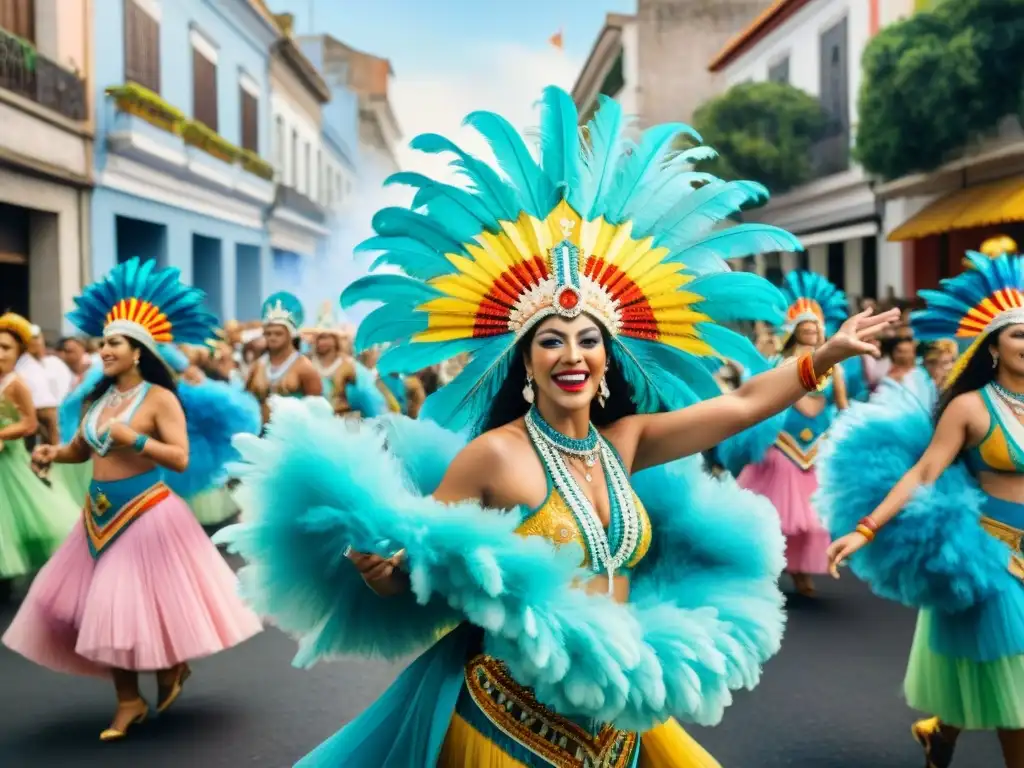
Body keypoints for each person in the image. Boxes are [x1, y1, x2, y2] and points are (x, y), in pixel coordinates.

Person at [217, 86, 897, 767]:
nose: (571, 354)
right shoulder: (492, 457)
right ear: (525, 363)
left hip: (616, 711)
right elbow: (419, 562)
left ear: (608, 359)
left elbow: (744, 405)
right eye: (550, 341)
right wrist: (381, 572)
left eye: (587, 340)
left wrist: (825, 355)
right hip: (509, 713)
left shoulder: (624, 442)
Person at [2, 257, 263, 741]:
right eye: (102, 343)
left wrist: (136, 439)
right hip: (97, 516)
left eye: (113, 343)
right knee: (102, 612)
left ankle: (169, 667)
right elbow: (83, 449)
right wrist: (52, 452)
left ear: (138, 350)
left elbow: (180, 458)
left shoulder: (160, 399)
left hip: (146, 512)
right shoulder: (97, 400)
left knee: (129, 607)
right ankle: (129, 700)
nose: (103, 351)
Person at [821, 251, 1024, 768]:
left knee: (996, 676)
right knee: (1014, 693)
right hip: (992, 554)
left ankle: (940, 735)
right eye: (1018, 334)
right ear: (993, 347)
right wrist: (865, 529)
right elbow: (922, 474)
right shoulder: (970, 406)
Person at [734, 271, 850, 597]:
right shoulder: (779, 363)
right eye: (805, 327)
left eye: (816, 327)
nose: (812, 332)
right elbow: (762, 398)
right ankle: (769, 569)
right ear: (794, 330)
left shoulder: (833, 366)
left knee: (812, 519)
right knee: (775, 518)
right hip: (781, 447)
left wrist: (848, 434)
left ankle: (800, 572)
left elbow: (842, 405)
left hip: (817, 449)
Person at [0, 313, 79, 594]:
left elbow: (30, 423)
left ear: (18, 352)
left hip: (8, 463)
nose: (0, 353)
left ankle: (8, 579)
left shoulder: (16, 383)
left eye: (6, 348)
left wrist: (2, 435)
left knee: (10, 517)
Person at [246, 292, 322, 424]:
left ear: (290, 335)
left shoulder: (304, 367)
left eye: (278, 333)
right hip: (261, 435)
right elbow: (247, 402)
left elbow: (317, 411)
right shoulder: (258, 366)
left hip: (294, 437)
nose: (272, 337)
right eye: (268, 333)